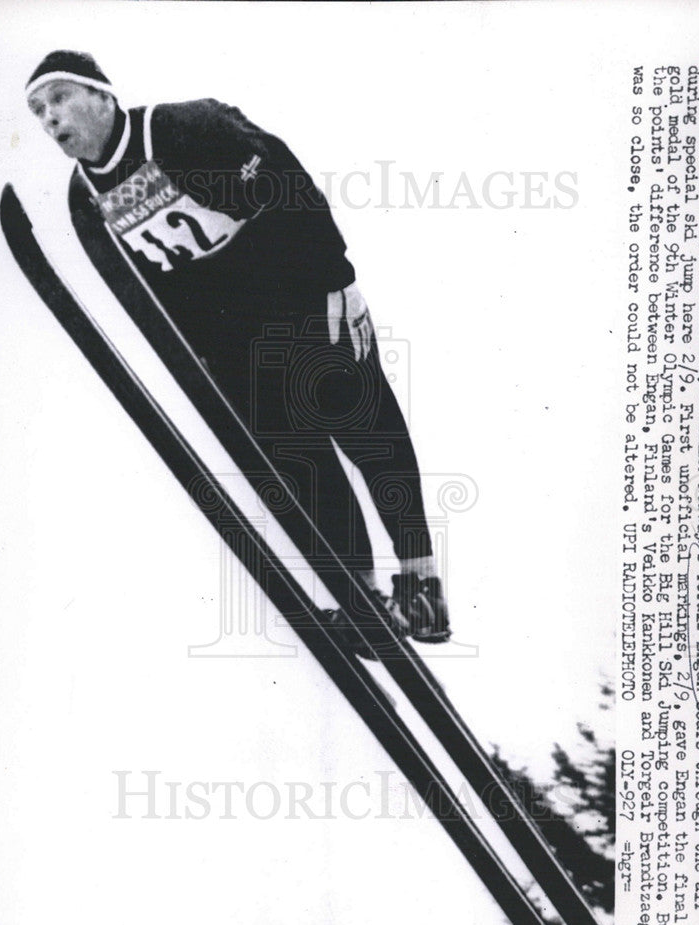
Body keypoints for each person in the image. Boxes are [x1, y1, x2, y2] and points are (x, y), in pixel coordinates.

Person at [25, 50, 450, 648]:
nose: (49, 118)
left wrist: (339, 280)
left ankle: (422, 587)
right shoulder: (83, 197)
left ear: (102, 95)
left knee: (361, 428)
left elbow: (288, 184)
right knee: (300, 463)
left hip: (297, 288)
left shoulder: (180, 127)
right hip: (229, 336)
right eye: (38, 111)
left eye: (59, 98)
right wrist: (200, 361)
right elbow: (145, 289)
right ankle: (365, 603)